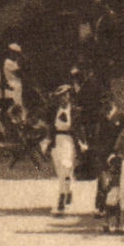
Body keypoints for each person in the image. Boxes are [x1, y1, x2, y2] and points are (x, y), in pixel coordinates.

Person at [48, 86, 81, 214]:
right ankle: (67, 190)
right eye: (60, 96)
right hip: (57, 140)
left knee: (66, 167)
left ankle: (61, 196)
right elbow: (49, 126)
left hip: (69, 140)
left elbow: (78, 128)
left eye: (65, 96)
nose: (63, 99)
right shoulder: (53, 111)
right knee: (60, 169)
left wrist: (81, 145)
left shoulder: (75, 111)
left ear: (69, 97)